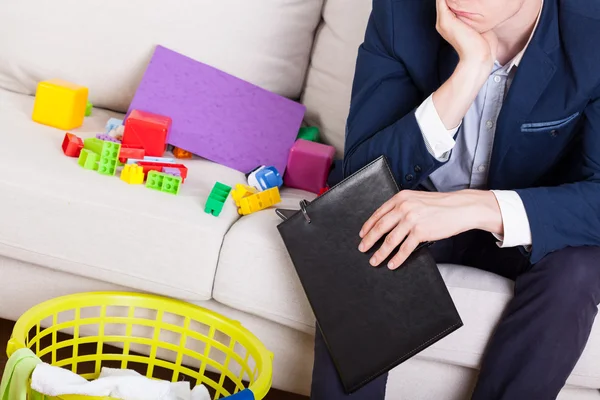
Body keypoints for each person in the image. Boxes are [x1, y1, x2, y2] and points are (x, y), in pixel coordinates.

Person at [310, 0, 600, 399]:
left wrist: (477, 208)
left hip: (530, 222)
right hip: (421, 205)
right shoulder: (400, 12)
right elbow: (360, 177)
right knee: (359, 227)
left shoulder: (592, 31)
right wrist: (471, 70)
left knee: (581, 268)